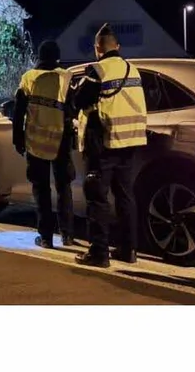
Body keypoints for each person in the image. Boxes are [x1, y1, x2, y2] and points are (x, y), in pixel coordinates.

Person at [72, 23, 148, 268]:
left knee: (97, 198)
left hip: (104, 144)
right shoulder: (133, 70)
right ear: (119, 47)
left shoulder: (97, 70)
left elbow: (79, 100)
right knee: (126, 197)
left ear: (98, 49)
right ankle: (128, 250)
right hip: (131, 141)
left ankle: (99, 253)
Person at [12, 39, 78, 249]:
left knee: (41, 189)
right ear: (58, 57)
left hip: (35, 142)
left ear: (39, 57)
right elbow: (73, 109)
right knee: (63, 187)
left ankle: (46, 237)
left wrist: (18, 139)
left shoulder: (29, 78)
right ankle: (67, 235)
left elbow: (18, 112)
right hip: (61, 141)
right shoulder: (66, 77)